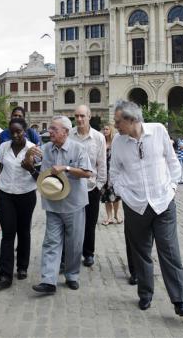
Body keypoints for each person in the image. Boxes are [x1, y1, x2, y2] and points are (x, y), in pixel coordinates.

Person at [111, 100, 183, 316]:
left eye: (118, 121)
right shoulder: (118, 143)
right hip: (135, 206)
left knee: (170, 251)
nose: (115, 125)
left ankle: (180, 300)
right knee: (141, 253)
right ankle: (145, 294)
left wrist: (173, 187)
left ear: (131, 119)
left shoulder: (158, 131)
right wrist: (125, 195)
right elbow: (115, 173)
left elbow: (173, 161)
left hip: (163, 202)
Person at [25, 116, 92, 294]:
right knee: (51, 242)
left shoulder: (78, 149)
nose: (50, 132)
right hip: (53, 203)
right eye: (50, 129)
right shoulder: (45, 149)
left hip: (74, 204)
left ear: (65, 132)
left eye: (54, 129)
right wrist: (29, 158)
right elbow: (35, 170)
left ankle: (72, 275)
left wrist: (66, 168)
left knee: (74, 243)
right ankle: (49, 281)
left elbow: (87, 173)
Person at [0, 117, 38, 288]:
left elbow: (40, 178)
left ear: (25, 131)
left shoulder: (33, 149)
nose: (16, 135)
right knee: (8, 234)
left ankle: (22, 267)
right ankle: (5, 275)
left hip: (26, 194)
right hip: (6, 195)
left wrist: (30, 167)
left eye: (19, 131)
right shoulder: (4, 147)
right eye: (13, 132)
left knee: (24, 232)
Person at [71, 105, 106, 267]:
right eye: (77, 116)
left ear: (89, 117)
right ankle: (72, 252)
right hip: (72, 187)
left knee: (90, 223)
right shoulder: (69, 135)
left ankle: (88, 253)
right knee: (71, 223)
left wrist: (99, 185)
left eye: (82, 116)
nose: (79, 119)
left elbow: (102, 164)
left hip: (92, 187)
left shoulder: (98, 138)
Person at [100, 124, 122, 225]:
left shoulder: (116, 142)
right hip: (104, 172)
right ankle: (109, 217)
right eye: (104, 129)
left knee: (115, 196)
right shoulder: (102, 142)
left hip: (114, 173)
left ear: (111, 130)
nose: (105, 131)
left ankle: (116, 215)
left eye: (107, 129)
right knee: (106, 196)